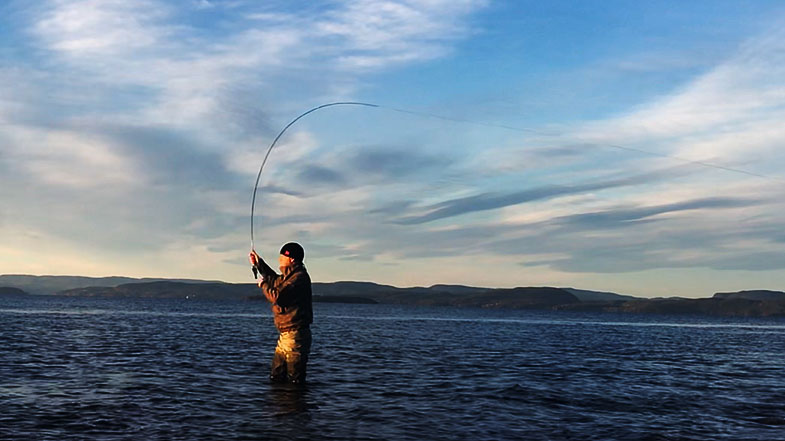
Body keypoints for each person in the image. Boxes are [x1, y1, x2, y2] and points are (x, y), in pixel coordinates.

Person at [249, 242, 313, 384]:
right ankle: (279, 405)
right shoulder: (289, 277)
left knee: (295, 381)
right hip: (285, 337)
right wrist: (259, 264)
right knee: (276, 377)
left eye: (282, 256)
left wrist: (263, 284)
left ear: (291, 259)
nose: (279, 259)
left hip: (295, 338)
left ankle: (295, 406)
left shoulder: (299, 278)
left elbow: (278, 297)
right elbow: (275, 280)